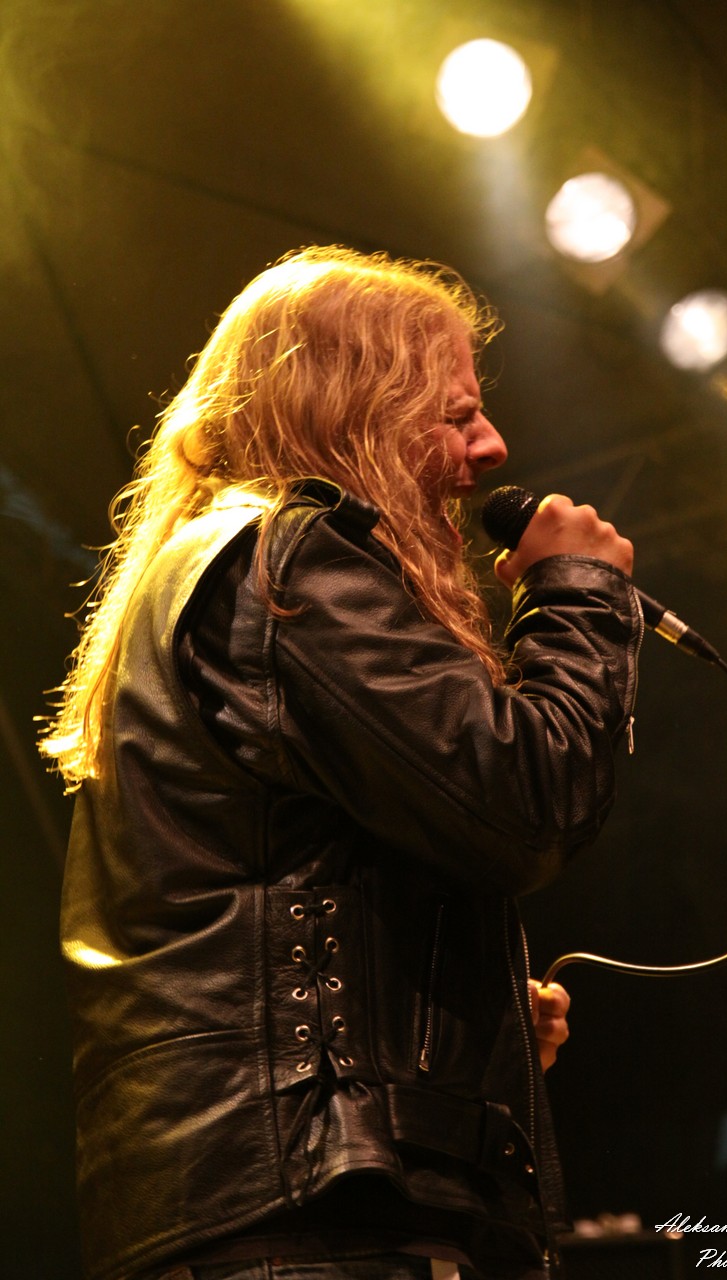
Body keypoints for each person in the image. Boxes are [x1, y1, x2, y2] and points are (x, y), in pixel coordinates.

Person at [41, 246, 640, 1280]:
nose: (492, 447)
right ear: (352, 412)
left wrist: (476, 1029)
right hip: (311, 1221)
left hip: (283, 1205)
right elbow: (525, 798)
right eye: (455, 415)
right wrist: (578, 592)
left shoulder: (232, 568)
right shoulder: (286, 566)